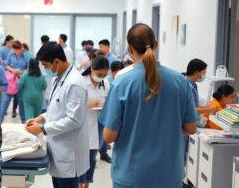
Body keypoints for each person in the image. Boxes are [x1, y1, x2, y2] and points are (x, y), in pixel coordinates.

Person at [99, 23, 197, 188]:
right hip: (169, 175)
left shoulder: (122, 83)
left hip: (131, 176)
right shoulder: (180, 81)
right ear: (156, 44)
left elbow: (109, 136)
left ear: (130, 49)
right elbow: (191, 128)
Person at [26, 42, 89, 188]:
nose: (46, 69)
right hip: (59, 147)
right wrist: (41, 117)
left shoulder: (74, 83)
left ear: (57, 61)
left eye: (46, 65)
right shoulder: (59, 79)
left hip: (69, 154)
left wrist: (42, 129)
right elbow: (57, 108)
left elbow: (74, 120)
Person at [79, 56, 110, 188]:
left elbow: (109, 101)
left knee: (92, 158)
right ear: (92, 68)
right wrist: (88, 104)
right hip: (83, 125)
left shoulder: (106, 84)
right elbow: (72, 103)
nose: (101, 77)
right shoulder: (80, 82)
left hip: (99, 125)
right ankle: (79, 184)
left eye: (104, 74)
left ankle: (86, 184)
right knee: (82, 158)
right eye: (99, 74)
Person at [2, 40, 30, 122]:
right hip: (11, 81)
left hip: (21, 81)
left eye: (18, 50)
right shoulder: (10, 55)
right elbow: (6, 65)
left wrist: (22, 72)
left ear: (21, 48)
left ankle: (24, 121)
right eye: (15, 50)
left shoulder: (26, 56)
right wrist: (13, 70)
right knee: (6, 101)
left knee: (21, 102)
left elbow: (29, 69)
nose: (17, 52)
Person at [185, 59, 219, 123]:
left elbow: (193, 105)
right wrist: (210, 109)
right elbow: (191, 109)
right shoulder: (189, 87)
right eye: (204, 72)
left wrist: (205, 107)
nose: (205, 75)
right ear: (196, 73)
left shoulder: (193, 84)